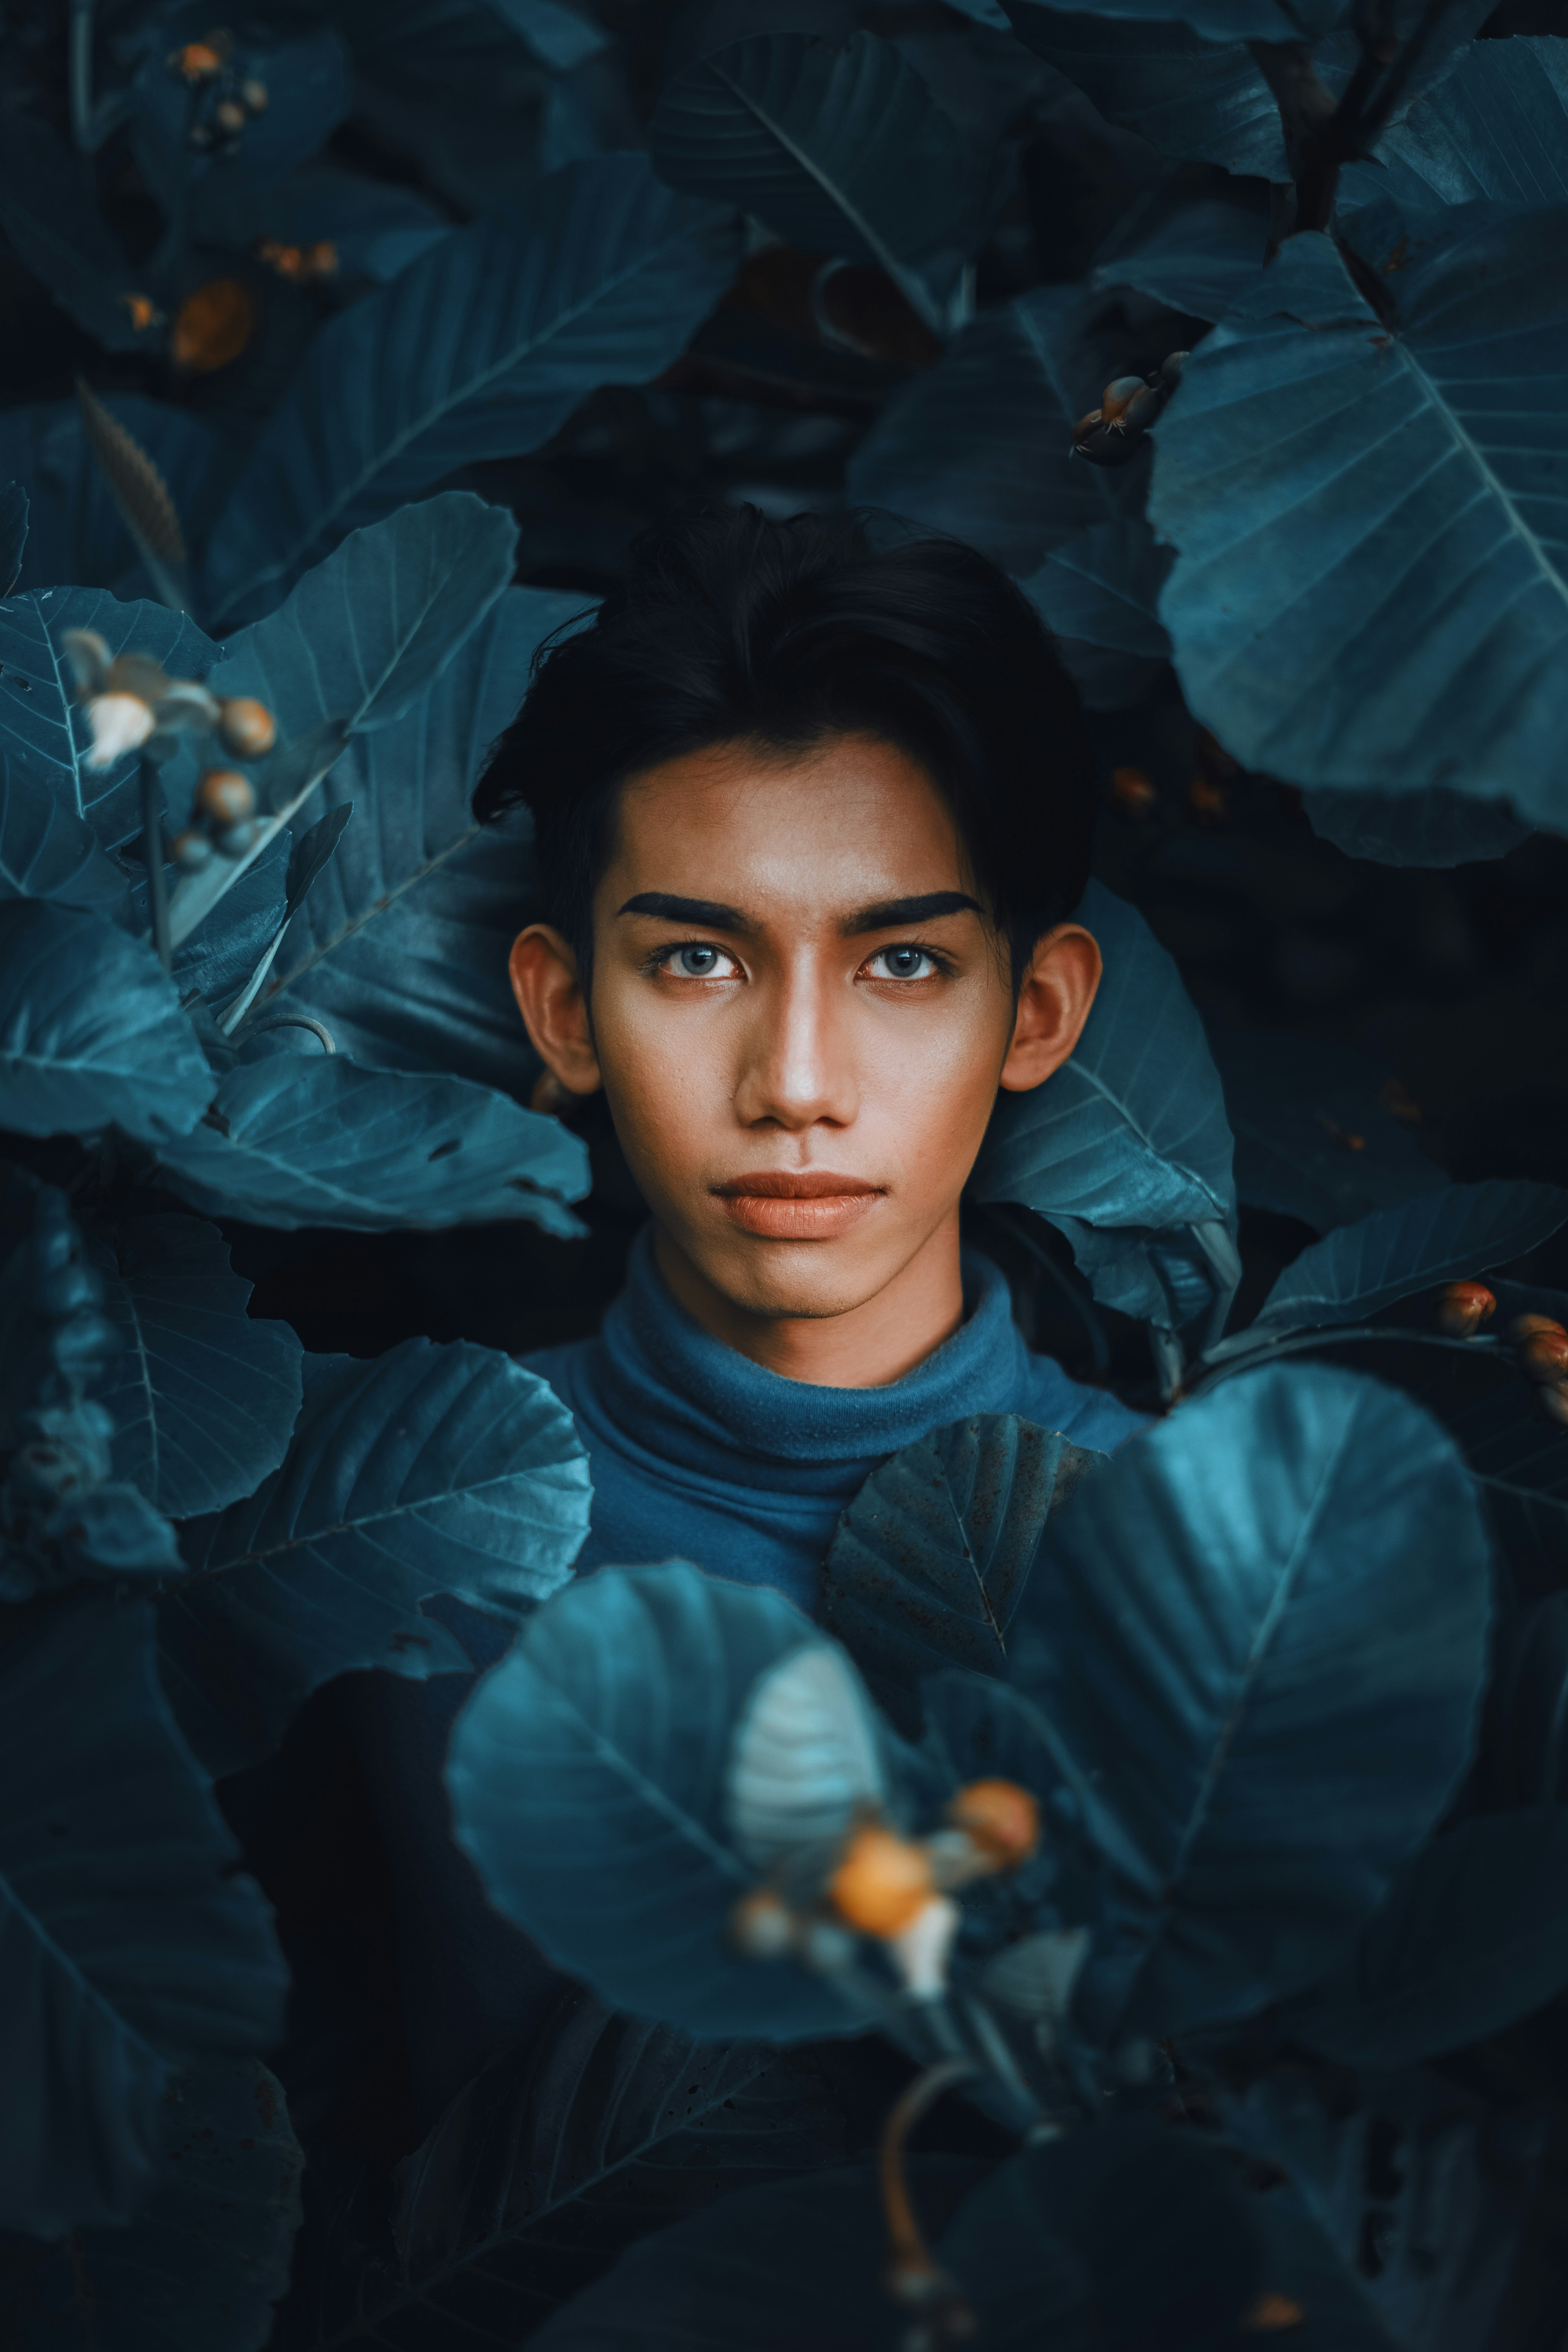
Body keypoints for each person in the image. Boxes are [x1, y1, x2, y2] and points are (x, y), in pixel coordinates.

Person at [347, 507, 1147, 2129]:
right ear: (564, 1013)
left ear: (1038, 1010)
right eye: (700, 959)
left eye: (902, 964)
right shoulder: (380, 1538)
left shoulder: (1206, 1568)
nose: (795, 1085)